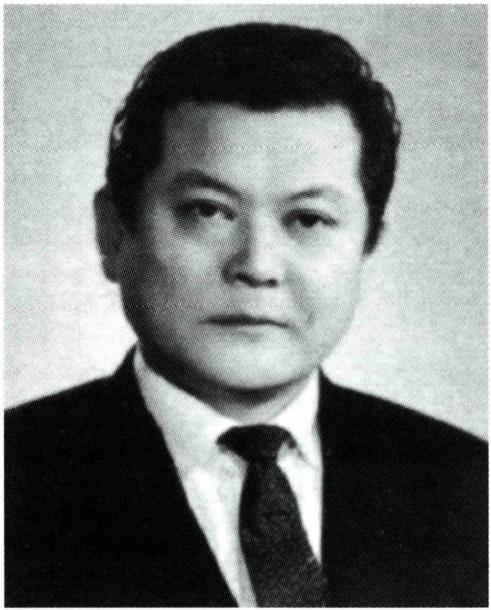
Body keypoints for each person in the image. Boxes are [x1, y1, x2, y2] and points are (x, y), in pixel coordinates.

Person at [5, 23, 487, 607]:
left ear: (367, 245)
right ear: (113, 233)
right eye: (208, 211)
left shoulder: (467, 484)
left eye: (308, 219)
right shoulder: (18, 474)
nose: (257, 266)